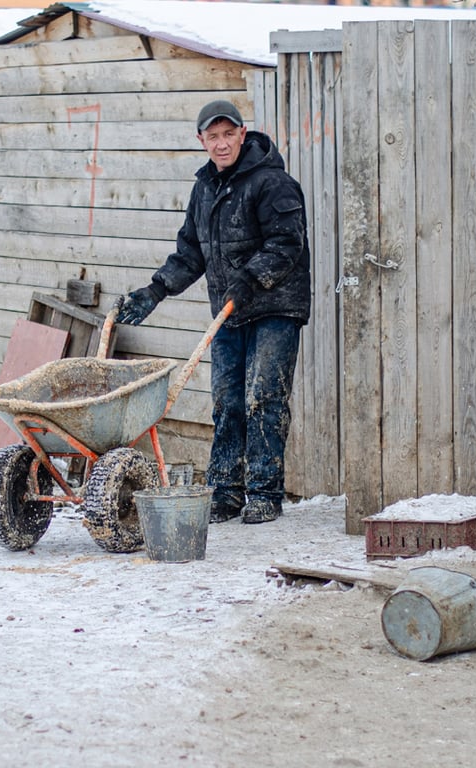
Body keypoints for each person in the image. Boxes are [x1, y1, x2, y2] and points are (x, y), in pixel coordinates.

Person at [116, 99, 311, 524]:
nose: (221, 144)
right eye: (213, 136)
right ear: (201, 140)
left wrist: (248, 279)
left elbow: (286, 244)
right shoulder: (204, 188)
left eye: (229, 134)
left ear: (243, 134)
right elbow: (190, 252)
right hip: (229, 310)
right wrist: (155, 291)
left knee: (264, 396)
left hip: (275, 308)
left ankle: (264, 492)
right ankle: (227, 491)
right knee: (226, 400)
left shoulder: (272, 183)